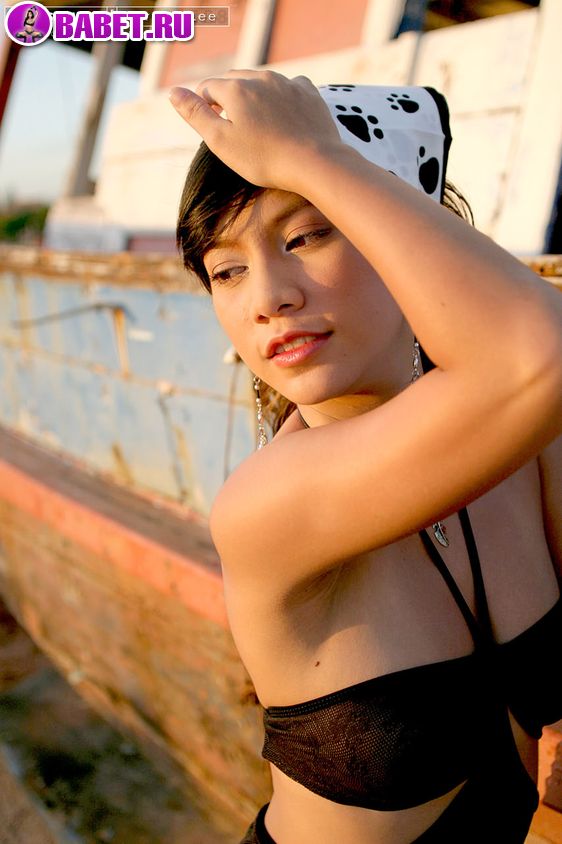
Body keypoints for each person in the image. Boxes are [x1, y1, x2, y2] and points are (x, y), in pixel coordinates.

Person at [170, 72, 562, 844]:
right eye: (226, 270)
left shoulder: (527, 442)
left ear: (403, 228)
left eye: (307, 235)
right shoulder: (268, 504)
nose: (268, 298)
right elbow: (541, 355)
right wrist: (311, 155)